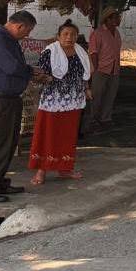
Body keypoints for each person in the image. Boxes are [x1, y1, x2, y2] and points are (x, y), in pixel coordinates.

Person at [29, 20, 91, 185]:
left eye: (73, 34)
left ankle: (65, 168)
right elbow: (39, 74)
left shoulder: (80, 52)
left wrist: (86, 89)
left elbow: (84, 74)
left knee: (67, 135)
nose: (69, 37)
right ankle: (41, 170)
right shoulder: (49, 52)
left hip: (73, 101)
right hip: (53, 101)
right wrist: (47, 78)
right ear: (58, 36)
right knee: (48, 134)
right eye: (65, 34)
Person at [0, 11, 37, 202]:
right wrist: (31, 71)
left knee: (9, 144)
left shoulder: (9, 39)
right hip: (0, 99)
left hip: (10, 98)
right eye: (27, 31)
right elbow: (11, 67)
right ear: (19, 26)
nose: (27, 35)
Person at [83, 7, 122, 134]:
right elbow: (93, 53)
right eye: (115, 18)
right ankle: (93, 119)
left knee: (110, 95)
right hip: (101, 69)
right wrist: (94, 70)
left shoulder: (117, 33)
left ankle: (105, 118)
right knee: (96, 96)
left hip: (114, 70)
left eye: (118, 17)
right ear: (107, 19)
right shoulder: (98, 33)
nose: (118, 20)